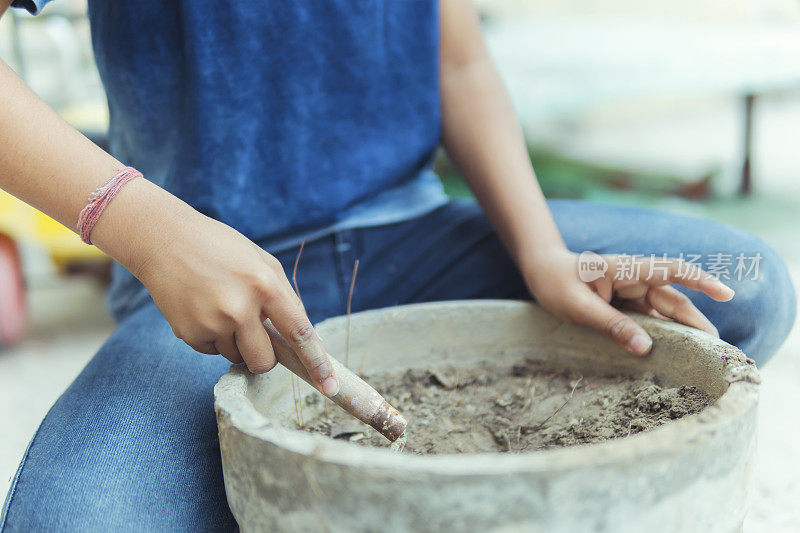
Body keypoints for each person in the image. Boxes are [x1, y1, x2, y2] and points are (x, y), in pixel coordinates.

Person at [0, 0, 794, 530]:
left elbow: (455, 59)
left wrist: (543, 250)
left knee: (744, 286)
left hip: (414, 239)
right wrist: (139, 222)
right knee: (72, 520)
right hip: (210, 288)